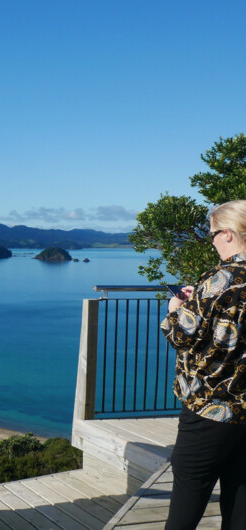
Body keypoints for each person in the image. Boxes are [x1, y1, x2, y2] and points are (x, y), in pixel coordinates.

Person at [162, 200, 246, 529]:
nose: (211, 242)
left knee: (189, 487)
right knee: (240, 490)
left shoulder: (222, 279)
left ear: (227, 234)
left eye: (212, 235)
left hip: (212, 404)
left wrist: (175, 307)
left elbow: (180, 334)